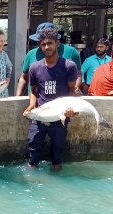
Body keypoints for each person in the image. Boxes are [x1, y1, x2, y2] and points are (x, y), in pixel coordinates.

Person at [22, 28, 78, 172]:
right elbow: (33, 90)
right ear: (40, 46)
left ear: (57, 43)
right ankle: (31, 173)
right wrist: (32, 104)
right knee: (33, 146)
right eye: (43, 44)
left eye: (50, 43)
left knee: (57, 151)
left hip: (60, 116)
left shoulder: (68, 66)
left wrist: (69, 108)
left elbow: (72, 89)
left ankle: (57, 178)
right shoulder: (34, 67)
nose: (47, 47)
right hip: (40, 114)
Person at [15, 22, 82, 96]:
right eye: (40, 41)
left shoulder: (71, 52)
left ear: (57, 40)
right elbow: (24, 77)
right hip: (37, 100)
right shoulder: (31, 54)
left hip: (63, 100)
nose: (46, 46)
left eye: (49, 42)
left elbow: (78, 73)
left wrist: (76, 86)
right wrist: (17, 98)